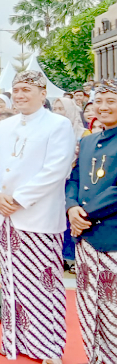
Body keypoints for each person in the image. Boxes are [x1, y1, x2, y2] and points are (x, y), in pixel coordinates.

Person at [0, 71, 75, 364]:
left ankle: (48, 347)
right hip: (7, 217)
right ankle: (15, 340)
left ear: (42, 93)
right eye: (16, 90)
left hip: (38, 216)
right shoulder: (6, 125)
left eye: (26, 90)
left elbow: (56, 169)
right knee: (12, 283)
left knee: (44, 283)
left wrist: (19, 200)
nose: (20, 95)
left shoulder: (58, 125)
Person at [67, 80, 117, 363]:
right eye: (100, 101)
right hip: (85, 239)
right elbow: (74, 179)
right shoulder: (87, 141)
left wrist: (83, 214)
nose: (104, 107)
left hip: (111, 238)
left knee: (113, 310)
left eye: (111, 100)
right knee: (89, 308)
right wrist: (72, 207)